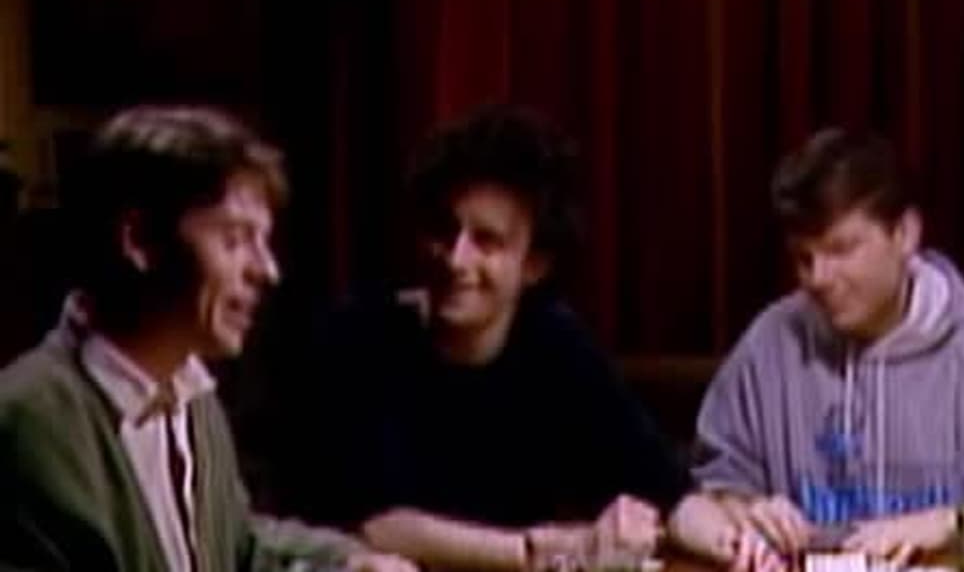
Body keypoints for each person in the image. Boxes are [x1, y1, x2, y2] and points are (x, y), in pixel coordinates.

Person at [267, 106, 691, 569]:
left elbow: (661, 483)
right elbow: (376, 526)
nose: (456, 259)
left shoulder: (556, 344)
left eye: (486, 241)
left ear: (534, 265)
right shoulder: (358, 337)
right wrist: (536, 550)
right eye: (444, 232)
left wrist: (731, 537)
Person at [0, 106, 411, 571]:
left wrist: (349, 562)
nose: (267, 271)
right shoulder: (30, 423)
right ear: (140, 241)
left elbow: (235, 546)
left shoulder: (189, 392)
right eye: (234, 240)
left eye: (264, 241)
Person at [670, 128, 964, 570]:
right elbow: (706, 488)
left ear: (904, 234)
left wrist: (950, 524)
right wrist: (744, 511)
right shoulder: (768, 347)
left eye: (840, 249)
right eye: (804, 257)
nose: (818, 278)